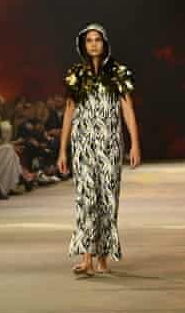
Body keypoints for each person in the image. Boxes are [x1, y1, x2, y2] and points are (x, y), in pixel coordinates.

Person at [58, 24, 141, 277]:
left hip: (110, 145)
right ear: (83, 44)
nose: (93, 44)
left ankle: (103, 256)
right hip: (82, 144)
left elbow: (128, 110)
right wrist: (62, 150)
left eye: (98, 40)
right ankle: (87, 259)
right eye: (89, 40)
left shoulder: (118, 73)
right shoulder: (76, 75)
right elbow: (69, 112)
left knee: (108, 198)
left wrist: (135, 143)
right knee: (85, 198)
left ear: (105, 44)